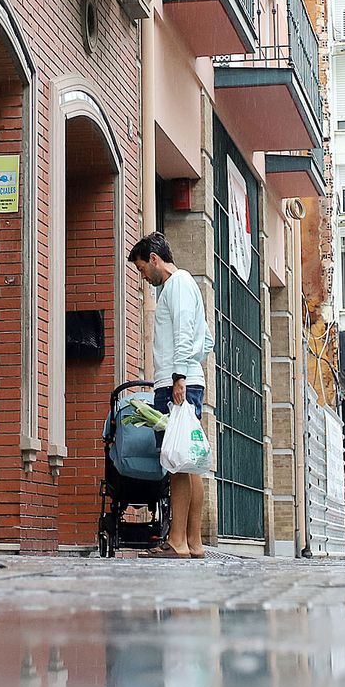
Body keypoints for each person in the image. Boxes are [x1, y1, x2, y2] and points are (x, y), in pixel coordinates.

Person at [128, 232, 213, 559]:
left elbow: (181, 333)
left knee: (178, 461)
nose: (143, 277)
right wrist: (190, 365)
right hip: (188, 379)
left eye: (141, 269)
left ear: (153, 258)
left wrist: (178, 375)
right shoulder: (188, 285)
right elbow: (206, 339)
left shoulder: (176, 285)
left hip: (177, 383)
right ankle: (194, 542)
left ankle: (177, 541)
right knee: (189, 461)